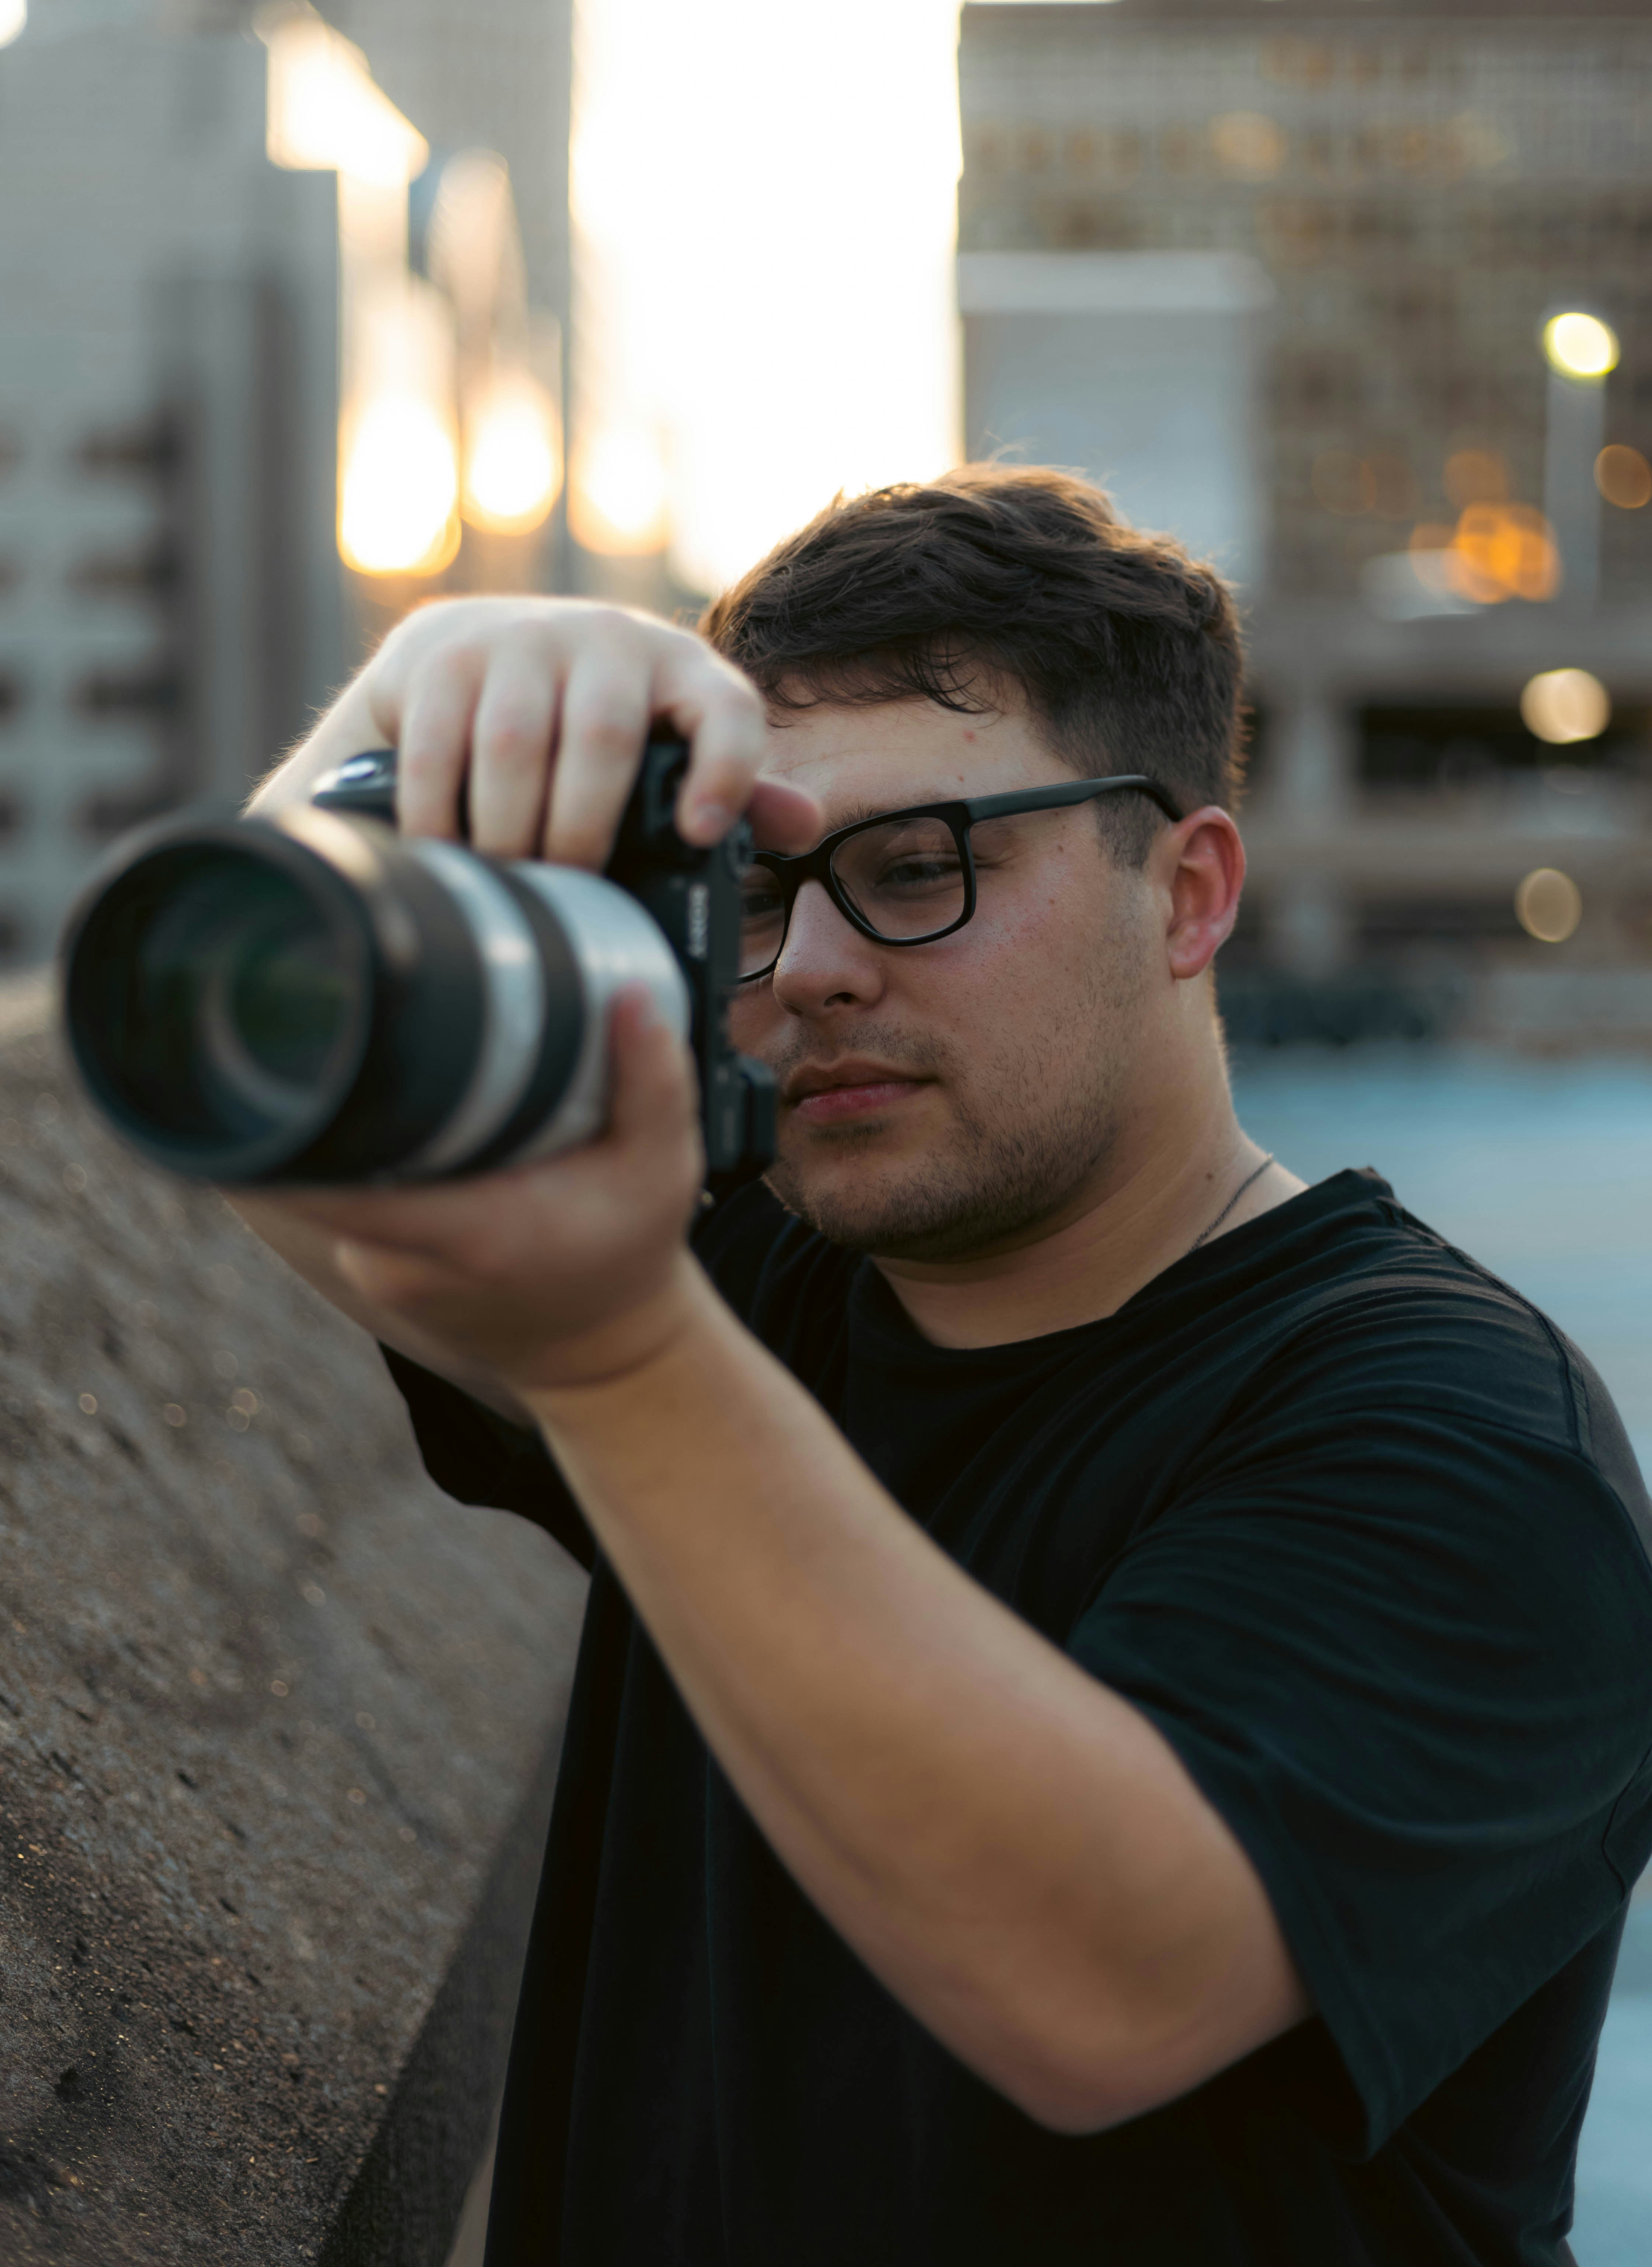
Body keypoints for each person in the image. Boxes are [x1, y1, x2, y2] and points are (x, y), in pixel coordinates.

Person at [237, 466, 1652, 2266]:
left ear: (1188, 895)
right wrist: (421, 687)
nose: (811, 968)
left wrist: (615, 1354)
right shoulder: (762, 1278)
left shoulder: (1457, 1442)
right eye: (749, 892)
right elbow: (274, 1097)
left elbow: (1097, 1983)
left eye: (917, 871)